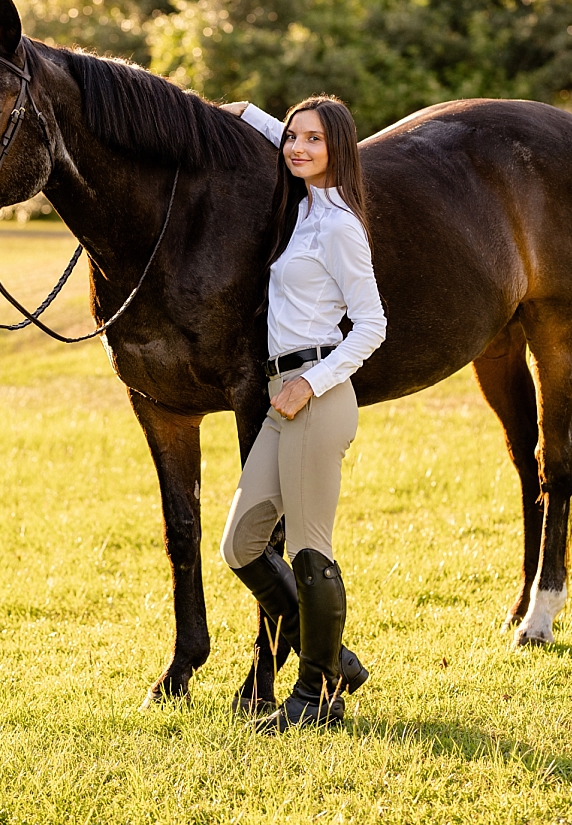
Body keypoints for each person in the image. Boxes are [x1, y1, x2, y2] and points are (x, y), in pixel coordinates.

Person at [218, 95, 386, 732]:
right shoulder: (305, 209)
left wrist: (310, 384)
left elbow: (372, 324)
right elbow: (286, 143)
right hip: (281, 395)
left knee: (312, 551)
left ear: (337, 148)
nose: (297, 148)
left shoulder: (339, 224)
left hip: (315, 400)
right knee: (242, 545)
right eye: (291, 138)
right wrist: (253, 116)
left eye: (312, 140)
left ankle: (316, 699)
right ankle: (332, 653)